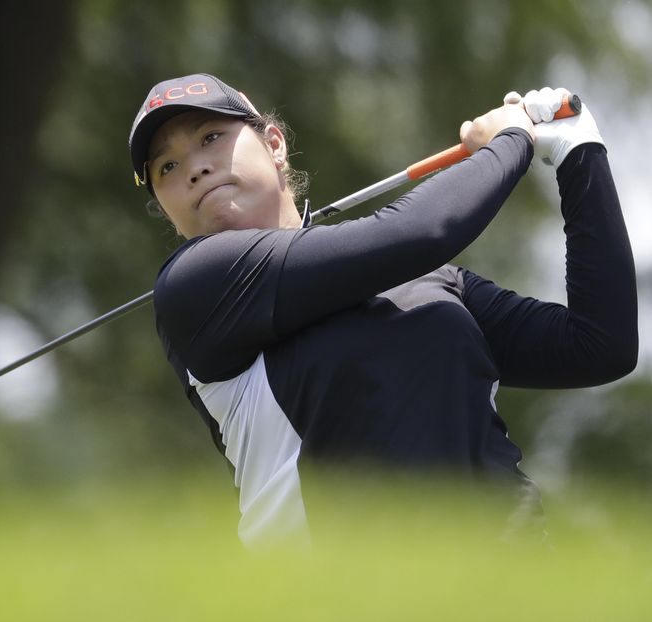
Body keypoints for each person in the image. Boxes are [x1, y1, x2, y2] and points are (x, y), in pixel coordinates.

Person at [127, 73, 638, 548]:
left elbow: (599, 347)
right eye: (166, 167)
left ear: (275, 144)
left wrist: (579, 154)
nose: (194, 167)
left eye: (211, 136)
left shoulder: (431, 282)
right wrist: (511, 141)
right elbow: (420, 232)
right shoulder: (194, 287)